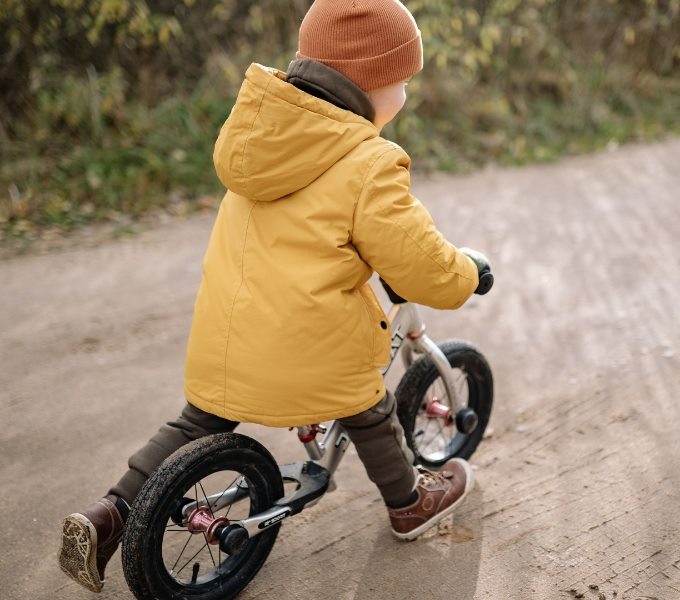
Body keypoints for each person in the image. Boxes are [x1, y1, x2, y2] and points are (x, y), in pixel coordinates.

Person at [57, 0, 492, 593]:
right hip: (308, 353)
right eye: (403, 83)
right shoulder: (371, 161)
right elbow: (422, 266)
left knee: (196, 422)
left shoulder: (258, 138)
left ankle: (109, 515)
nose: (407, 97)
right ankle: (410, 501)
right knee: (365, 401)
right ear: (369, 85)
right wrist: (465, 270)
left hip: (228, 340)